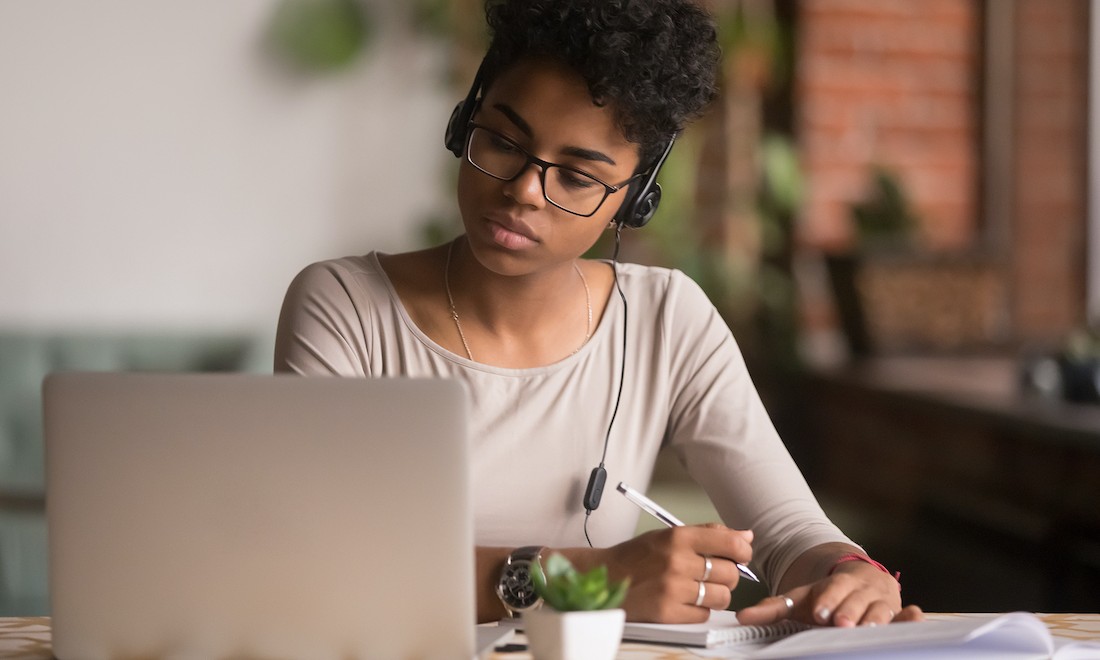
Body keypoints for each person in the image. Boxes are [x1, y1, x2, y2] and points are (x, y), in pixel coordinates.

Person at [275, 0, 923, 628]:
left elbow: (788, 534)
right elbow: (316, 563)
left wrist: (847, 572)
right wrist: (590, 582)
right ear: (464, 121)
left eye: (578, 178)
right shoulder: (346, 308)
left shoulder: (668, 320)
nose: (524, 192)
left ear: (634, 198)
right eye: (502, 141)